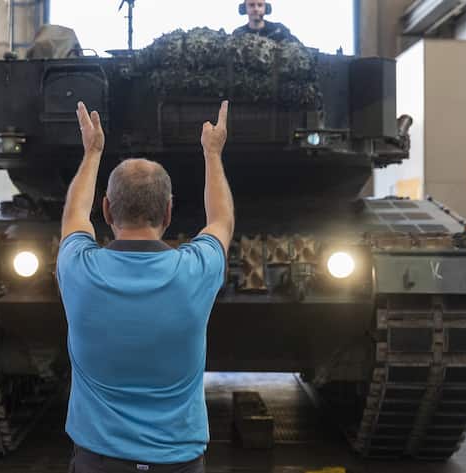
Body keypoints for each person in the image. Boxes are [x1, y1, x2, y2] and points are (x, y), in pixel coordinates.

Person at [56, 100, 234, 473]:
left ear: (106, 210)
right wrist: (212, 153)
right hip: (178, 463)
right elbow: (221, 221)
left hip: (98, 463)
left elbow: (73, 215)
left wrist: (93, 152)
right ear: (168, 212)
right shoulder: (195, 270)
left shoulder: (79, 270)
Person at [232, 0, 300, 44]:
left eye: (260, 5)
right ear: (244, 8)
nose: (256, 9)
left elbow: (300, 49)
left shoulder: (279, 30)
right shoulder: (238, 34)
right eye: (251, 5)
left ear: (266, 8)